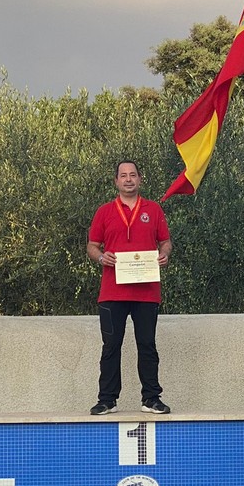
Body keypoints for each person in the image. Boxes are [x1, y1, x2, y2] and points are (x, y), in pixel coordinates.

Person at [86, 160, 173, 416]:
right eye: (123, 176)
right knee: (111, 346)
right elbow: (92, 246)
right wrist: (102, 257)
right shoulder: (104, 211)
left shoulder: (154, 210)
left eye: (132, 175)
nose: (128, 180)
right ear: (116, 181)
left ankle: (151, 398)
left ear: (140, 179)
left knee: (147, 344)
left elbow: (165, 241)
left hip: (146, 292)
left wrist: (164, 254)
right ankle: (107, 400)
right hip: (112, 292)